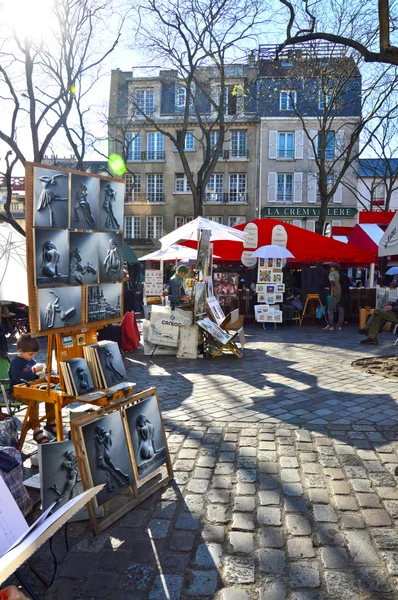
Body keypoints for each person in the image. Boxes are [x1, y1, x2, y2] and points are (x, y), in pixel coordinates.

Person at [8, 334, 56, 444]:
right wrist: (33, 371)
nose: (33, 356)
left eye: (35, 354)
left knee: (51, 394)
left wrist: (42, 373)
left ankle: (51, 421)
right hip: (17, 392)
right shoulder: (16, 361)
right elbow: (18, 376)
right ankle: (36, 429)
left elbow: (35, 376)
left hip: (31, 389)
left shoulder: (31, 361)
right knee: (33, 400)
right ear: (20, 351)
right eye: (30, 354)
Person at [323, 263, 344, 331]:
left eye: (331, 267)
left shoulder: (331, 274)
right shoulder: (338, 273)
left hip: (335, 293)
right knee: (340, 309)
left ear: (334, 268)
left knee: (330, 309)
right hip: (340, 292)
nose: (330, 268)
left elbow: (332, 283)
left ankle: (331, 325)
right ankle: (339, 325)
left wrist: (335, 292)